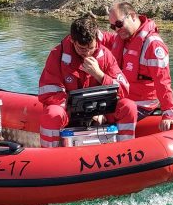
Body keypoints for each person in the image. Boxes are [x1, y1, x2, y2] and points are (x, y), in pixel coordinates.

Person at [38, 15, 137, 148]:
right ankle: (50, 157)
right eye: (82, 49)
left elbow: (124, 89)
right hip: (69, 111)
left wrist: (99, 75)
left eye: (91, 47)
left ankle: (125, 150)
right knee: (52, 114)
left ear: (96, 39)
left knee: (128, 107)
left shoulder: (106, 55)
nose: (87, 53)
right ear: (73, 41)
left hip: (101, 110)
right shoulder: (57, 55)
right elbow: (48, 93)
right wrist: (82, 110)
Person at [103, 2, 173, 131]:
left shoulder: (152, 45)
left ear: (132, 16)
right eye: (113, 26)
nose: (116, 29)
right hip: (123, 100)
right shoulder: (125, 38)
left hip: (142, 105)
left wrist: (168, 112)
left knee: (101, 121)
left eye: (119, 24)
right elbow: (107, 38)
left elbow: (163, 81)